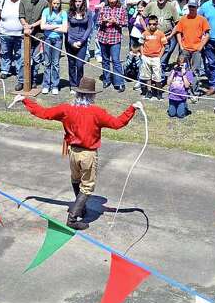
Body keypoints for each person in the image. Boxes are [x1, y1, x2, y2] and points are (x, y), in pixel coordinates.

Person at [18, 78, 139, 228]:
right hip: (88, 154)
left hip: (73, 152)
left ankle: (80, 208)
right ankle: (72, 219)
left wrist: (26, 100)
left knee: (76, 180)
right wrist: (132, 109)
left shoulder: (66, 109)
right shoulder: (97, 112)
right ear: (92, 96)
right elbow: (117, 123)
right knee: (87, 187)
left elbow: (44, 113)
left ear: (77, 94)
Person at [172, 0, 209, 88]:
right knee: (183, 69)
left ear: (197, 7)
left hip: (196, 50)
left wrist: (201, 46)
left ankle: (194, 91)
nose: (192, 8)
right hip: (185, 49)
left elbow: (207, 34)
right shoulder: (183, 19)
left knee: (195, 71)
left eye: (194, 7)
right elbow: (178, 33)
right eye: (190, 7)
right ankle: (183, 89)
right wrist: (181, 45)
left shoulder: (202, 19)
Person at [96, 0, 129, 92]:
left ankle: (119, 82)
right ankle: (106, 79)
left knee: (115, 60)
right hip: (103, 37)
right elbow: (98, 21)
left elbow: (125, 23)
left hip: (115, 38)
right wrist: (103, 21)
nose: (111, 0)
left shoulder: (122, 9)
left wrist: (116, 21)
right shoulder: (103, 8)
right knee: (105, 60)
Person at [18, 0, 47, 87]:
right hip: (25, 34)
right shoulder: (23, 1)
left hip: (38, 35)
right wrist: (25, 25)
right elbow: (21, 16)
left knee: (36, 59)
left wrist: (32, 26)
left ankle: (33, 79)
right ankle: (21, 80)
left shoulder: (44, 2)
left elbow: (43, 19)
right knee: (23, 58)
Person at [143, 0, 180, 69]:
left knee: (163, 59)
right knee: (154, 57)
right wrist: (145, 29)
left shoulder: (171, 7)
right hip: (154, 37)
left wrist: (171, 35)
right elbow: (141, 17)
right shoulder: (151, 5)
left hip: (167, 36)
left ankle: (160, 78)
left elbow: (177, 24)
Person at [65, 0, 95, 90]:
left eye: (80, 1)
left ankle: (80, 83)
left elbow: (89, 28)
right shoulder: (68, 13)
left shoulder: (88, 12)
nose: (77, 3)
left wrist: (81, 41)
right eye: (76, 1)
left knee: (80, 64)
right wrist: (70, 42)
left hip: (82, 42)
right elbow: (66, 29)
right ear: (73, 2)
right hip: (70, 41)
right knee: (71, 63)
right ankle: (73, 85)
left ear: (83, 2)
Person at [40, 0, 68, 94]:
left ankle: (55, 85)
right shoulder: (46, 11)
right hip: (47, 39)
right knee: (47, 62)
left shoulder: (63, 13)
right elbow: (42, 26)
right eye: (54, 3)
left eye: (58, 3)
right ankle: (46, 84)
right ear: (51, 3)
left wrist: (50, 26)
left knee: (55, 63)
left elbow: (64, 29)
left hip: (58, 40)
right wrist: (57, 27)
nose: (56, 5)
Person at [137, 14, 167, 99]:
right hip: (146, 57)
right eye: (150, 24)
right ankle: (149, 91)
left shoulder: (160, 34)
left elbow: (164, 46)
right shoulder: (145, 33)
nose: (152, 26)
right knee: (147, 75)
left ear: (157, 24)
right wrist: (142, 55)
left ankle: (159, 91)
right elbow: (141, 44)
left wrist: (159, 57)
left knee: (157, 76)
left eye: (154, 24)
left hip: (156, 58)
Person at [166, 54, 195, 118]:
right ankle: (174, 107)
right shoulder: (174, 72)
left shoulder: (189, 73)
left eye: (182, 65)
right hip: (172, 97)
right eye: (179, 65)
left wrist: (184, 74)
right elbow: (168, 83)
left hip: (181, 98)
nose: (180, 67)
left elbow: (187, 86)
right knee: (171, 114)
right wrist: (173, 72)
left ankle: (184, 107)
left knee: (180, 115)